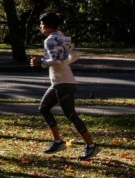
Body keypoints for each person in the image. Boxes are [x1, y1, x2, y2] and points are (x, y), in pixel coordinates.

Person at [30, 12, 98, 160]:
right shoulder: (62, 37)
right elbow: (75, 56)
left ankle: (91, 146)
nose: (40, 26)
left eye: (41, 24)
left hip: (62, 83)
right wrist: (64, 63)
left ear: (47, 26)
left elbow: (54, 60)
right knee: (45, 108)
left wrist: (40, 62)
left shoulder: (49, 40)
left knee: (69, 114)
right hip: (63, 81)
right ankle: (58, 141)